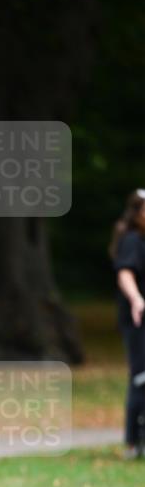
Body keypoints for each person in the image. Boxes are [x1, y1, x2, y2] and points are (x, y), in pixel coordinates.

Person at [109, 189, 145, 459]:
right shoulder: (132, 239)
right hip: (138, 319)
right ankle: (133, 441)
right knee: (140, 377)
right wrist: (136, 300)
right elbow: (125, 273)